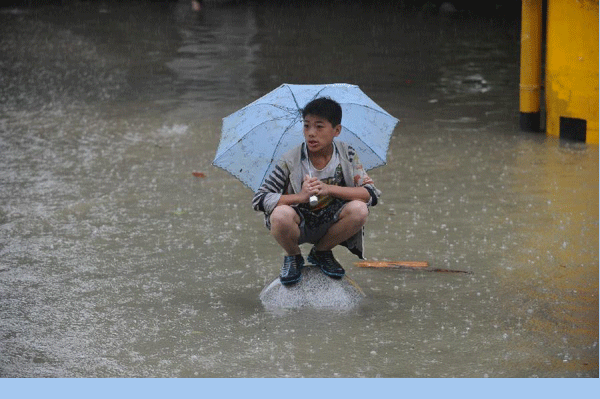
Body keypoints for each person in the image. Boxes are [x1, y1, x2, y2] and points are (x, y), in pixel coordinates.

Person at [252, 97, 381, 285]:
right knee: (279, 215)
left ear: (336, 130)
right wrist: (300, 197)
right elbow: (260, 199)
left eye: (319, 127)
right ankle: (294, 256)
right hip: (299, 222)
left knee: (359, 210)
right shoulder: (290, 160)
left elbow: (371, 193)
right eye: (306, 126)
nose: (311, 133)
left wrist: (329, 189)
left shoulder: (347, 154)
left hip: (331, 222)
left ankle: (321, 252)